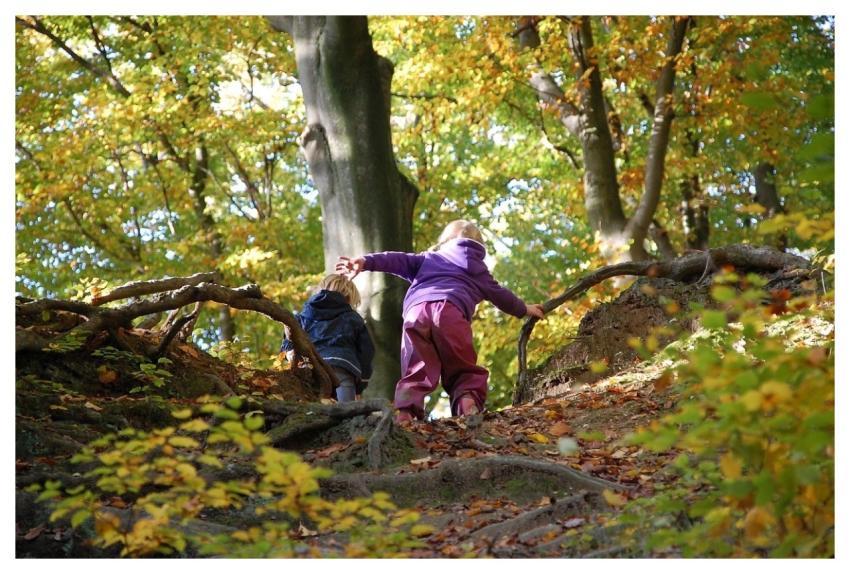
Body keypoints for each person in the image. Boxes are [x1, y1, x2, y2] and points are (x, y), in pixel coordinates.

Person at [336, 220, 545, 422]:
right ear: (479, 246)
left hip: (415, 314)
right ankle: (467, 403)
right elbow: (500, 295)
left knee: (415, 370)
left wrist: (365, 262)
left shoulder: (428, 258)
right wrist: (524, 309)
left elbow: (395, 259)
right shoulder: (477, 268)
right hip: (450, 312)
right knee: (462, 368)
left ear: (444, 240)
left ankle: (406, 414)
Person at [281, 274, 374, 402]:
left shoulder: (302, 317)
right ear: (349, 297)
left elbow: (288, 343)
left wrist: (291, 358)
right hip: (342, 367)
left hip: (310, 367)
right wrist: (361, 384)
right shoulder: (353, 318)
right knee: (347, 412)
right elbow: (366, 352)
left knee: (312, 410)